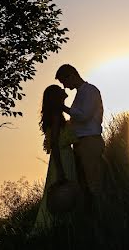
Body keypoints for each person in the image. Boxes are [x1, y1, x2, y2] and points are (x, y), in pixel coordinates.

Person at [55, 64, 105, 211]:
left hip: (90, 142)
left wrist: (63, 108)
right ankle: (92, 216)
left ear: (71, 75)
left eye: (64, 82)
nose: (64, 86)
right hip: (82, 143)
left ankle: (100, 213)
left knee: (93, 183)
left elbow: (84, 116)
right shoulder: (81, 93)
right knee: (84, 183)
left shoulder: (90, 91)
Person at [34, 84, 80, 231]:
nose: (63, 90)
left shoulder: (58, 113)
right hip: (62, 158)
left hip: (65, 156)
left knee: (65, 192)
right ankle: (52, 227)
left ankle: (61, 226)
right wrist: (60, 170)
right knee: (62, 191)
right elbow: (54, 144)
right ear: (56, 96)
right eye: (60, 90)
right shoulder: (55, 115)